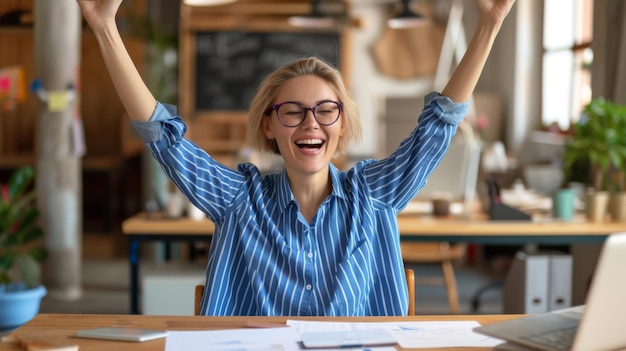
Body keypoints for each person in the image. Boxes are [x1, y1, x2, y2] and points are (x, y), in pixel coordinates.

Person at [77, 0, 516, 316]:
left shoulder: (374, 195)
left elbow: (437, 126)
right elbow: (163, 137)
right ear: (269, 125)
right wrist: (104, 28)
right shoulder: (240, 201)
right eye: (292, 111)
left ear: (342, 125)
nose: (311, 124)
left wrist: (489, 26)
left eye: (326, 111)